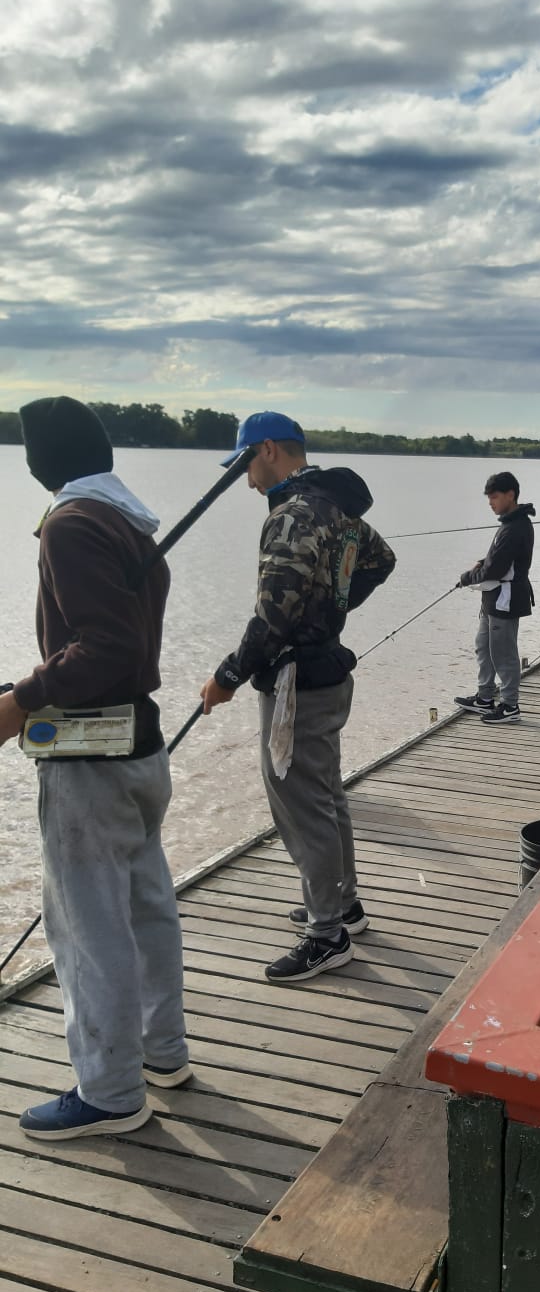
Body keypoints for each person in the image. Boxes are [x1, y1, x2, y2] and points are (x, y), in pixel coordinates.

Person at [0, 396, 189, 1140]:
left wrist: (19, 700)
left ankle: (110, 1093)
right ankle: (162, 1053)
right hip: (142, 744)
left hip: (91, 757)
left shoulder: (71, 523)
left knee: (87, 926)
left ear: (37, 460)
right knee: (146, 907)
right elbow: (125, 644)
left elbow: (106, 647)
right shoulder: (124, 516)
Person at [200, 411, 395, 984]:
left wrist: (227, 677)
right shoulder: (336, 508)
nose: (246, 480)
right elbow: (382, 560)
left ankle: (327, 935)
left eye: (244, 464)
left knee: (301, 803)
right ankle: (343, 905)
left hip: (297, 683)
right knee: (326, 795)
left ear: (267, 450)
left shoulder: (290, 516)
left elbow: (272, 617)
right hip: (327, 672)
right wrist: (331, 607)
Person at [453, 471, 535, 725]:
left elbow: (496, 569)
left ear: (510, 495)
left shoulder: (516, 527)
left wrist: (468, 577)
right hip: (492, 597)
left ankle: (510, 705)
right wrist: (482, 562)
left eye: (495, 497)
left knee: (503, 652)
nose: (491, 502)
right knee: (483, 646)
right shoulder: (509, 523)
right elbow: (496, 559)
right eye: (489, 497)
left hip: (505, 599)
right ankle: (485, 697)